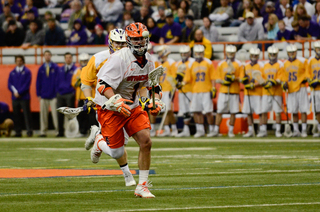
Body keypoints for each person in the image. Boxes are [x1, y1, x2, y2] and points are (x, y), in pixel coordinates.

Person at [91, 22, 164, 198]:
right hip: (111, 107)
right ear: (129, 40)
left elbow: (153, 86)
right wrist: (114, 99)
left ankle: (142, 186)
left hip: (132, 104)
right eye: (136, 39)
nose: (140, 43)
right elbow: (102, 85)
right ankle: (99, 140)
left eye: (143, 39)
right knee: (116, 151)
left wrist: (156, 102)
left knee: (146, 141)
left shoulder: (149, 60)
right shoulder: (119, 58)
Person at [80, 29, 136, 187]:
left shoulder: (133, 59)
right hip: (105, 105)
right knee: (117, 148)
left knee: (121, 145)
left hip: (126, 104)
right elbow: (86, 82)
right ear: (110, 42)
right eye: (117, 42)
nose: (120, 45)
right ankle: (127, 175)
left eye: (123, 42)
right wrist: (89, 98)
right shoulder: (98, 58)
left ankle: (98, 139)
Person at [180, 45, 215, 137]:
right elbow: (187, 78)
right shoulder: (192, 64)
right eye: (197, 53)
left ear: (203, 53)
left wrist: (213, 88)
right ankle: (200, 130)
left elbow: (213, 78)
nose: (198, 55)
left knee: (208, 111)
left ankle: (212, 130)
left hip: (206, 89)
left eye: (200, 53)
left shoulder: (208, 63)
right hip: (195, 90)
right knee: (196, 111)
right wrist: (181, 84)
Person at [211, 45, 242, 137]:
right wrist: (224, 81)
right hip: (224, 90)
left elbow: (241, 78)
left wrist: (234, 78)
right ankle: (216, 130)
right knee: (219, 111)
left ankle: (231, 130)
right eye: (229, 53)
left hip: (234, 90)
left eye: (232, 53)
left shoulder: (238, 64)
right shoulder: (221, 64)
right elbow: (217, 78)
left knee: (233, 111)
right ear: (226, 53)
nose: (230, 55)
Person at [282, 44, 309, 137]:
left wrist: (305, 78)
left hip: (301, 87)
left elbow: (307, 73)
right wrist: (284, 83)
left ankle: (304, 130)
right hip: (291, 89)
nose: (291, 54)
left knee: (303, 109)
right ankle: (296, 130)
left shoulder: (302, 61)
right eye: (290, 52)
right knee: (293, 111)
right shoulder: (285, 64)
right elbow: (284, 77)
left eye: (293, 52)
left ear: (296, 52)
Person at [261, 46, 284, 138]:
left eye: (274, 54)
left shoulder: (280, 65)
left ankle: (278, 131)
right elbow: (261, 78)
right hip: (266, 92)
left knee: (277, 112)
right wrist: (264, 83)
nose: (273, 56)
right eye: (271, 54)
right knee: (264, 112)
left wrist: (272, 82)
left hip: (276, 92)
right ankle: (263, 130)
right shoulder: (264, 65)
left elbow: (280, 79)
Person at [240, 48, 264, 137]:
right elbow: (242, 79)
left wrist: (254, 85)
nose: (254, 57)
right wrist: (245, 80)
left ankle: (261, 130)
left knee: (260, 112)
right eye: (252, 55)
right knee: (248, 112)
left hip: (257, 93)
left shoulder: (261, 66)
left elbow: (263, 80)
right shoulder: (245, 66)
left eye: (256, 56)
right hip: (248, 93)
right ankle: (250, 130)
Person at [154, 45, 177, 137]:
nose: (159, 53)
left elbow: (175, 76)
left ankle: (174, 128)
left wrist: (173, 87)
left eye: (160, 51)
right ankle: (167, 129)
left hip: (169, 88)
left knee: (169, 110)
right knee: (164, 110)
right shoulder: (160, 63)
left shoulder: (171, 62)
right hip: (162, 89)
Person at [7, 55, 33, 137]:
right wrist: (15, 92)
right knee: (16, 115)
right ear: (15, 62)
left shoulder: (27, 71)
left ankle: (29, 131)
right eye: (17, 60)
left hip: (24, 97)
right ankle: (18, 131)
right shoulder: (12, 72)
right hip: (15, 97)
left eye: (20, 60)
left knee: (26, 115)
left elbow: (27, 84)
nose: (19, 62)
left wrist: (20, 92)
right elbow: (9, 84)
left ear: (23, 61)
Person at [72, 53, 97, 136]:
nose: (83, 62)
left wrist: (87, 80)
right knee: (81, 116)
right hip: (80, 97)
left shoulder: (92, 70)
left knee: (91, 116)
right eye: (82, 61)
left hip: (90, 97)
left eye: (85, 61)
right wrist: (79, 80)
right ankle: (82, 131)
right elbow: (73, 84)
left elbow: (95, 83)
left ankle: (93, 131)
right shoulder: (77, 71)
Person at [36, 50, 60, 137]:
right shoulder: (41, 68)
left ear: (51, 56)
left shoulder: (55, 67)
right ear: (44, 56)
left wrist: (57, 93)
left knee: (55, 114)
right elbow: (38, 82)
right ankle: (43, 131)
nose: (47, 57)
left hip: (53, 95)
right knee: (43, 115)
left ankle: (58, 131)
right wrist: (38, 94)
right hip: (43, 95)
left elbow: (58, 81)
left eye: (49, 55)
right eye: (46, 55)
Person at [174, 45, 195, 137]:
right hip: (181, 90)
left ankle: (198, 129)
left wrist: (183, 82)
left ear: (189, 53)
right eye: (182, 53)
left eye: (185, 53)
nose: (183, 55)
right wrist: (177, 83)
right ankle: (186, 130)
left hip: (191, 89)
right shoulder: (177, 63)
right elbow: (176, 77)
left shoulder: (192, 62)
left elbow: (193, 76)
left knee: (193, 110)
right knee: (184, 110)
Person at [56, 52, 77, 137]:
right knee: (60, 113)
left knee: (70, 114)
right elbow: (57, 81)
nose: (68, 59)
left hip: (69, 93)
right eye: (66, 58)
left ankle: (71, 132)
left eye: (69, 57)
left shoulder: (75, 69)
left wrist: (72, 92)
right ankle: (60, 132)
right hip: (61, 93)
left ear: (71, 59)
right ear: (64, 59)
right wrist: (58, 91)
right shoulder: (60, 69)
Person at [307, 41, 320, 137]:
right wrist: (311, 81)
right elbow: (308, 74)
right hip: (316, 90)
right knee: (317, 110)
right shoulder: (311, 60)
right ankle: (319, 129)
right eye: (317, 48)